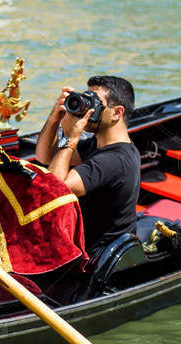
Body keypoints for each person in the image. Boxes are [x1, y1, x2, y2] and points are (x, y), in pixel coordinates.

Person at [33, 75, 141, 251]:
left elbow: (54, 189)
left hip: (98, 257)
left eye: (95, 103)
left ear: (117, 113)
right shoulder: (99, 144)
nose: (88, 109)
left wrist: (71, 137)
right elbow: (45, 157)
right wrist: (55, 118)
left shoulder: (115, 160)